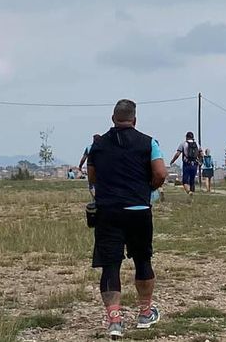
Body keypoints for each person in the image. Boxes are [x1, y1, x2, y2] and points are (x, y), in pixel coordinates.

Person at [87, 100, 167, 339]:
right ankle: (144, 313)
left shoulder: (98, 145)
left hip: (108, 211)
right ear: (135, 119)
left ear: (113, 118)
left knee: (110, 265)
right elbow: (161, 172)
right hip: (139, 209)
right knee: (143, 260)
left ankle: (114, 320)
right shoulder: (148, 142)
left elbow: (92, 176)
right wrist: (149, 187)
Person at [169, 132, 201, 199]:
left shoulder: (183, 144)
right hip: (195, 164)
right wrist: (200, 161)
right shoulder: (197, 144)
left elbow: (177, 154)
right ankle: (192, 196)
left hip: (186, 164)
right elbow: (201, 153)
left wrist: (172, 161)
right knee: (192, 181)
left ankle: (189, 192)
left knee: (185, 181)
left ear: (186, 137)